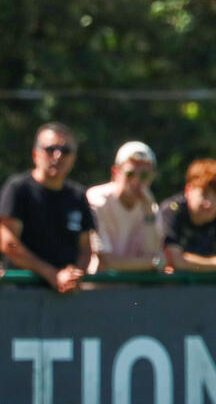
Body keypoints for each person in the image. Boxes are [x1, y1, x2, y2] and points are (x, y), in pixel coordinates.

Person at [0, 122, 94, 292]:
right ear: (35, 154)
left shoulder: (78, 196)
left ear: (74, 158)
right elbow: (8, 243)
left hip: (66, 297)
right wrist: (51, 274)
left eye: (65, 151)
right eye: (50, 149)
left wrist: (73, 274)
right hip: (21, 294)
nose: (57, 156)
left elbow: (86, 248)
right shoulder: (18, 188)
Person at [87, 141, 164, 273]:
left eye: (144, 175)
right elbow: (107, 261)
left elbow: (153, 252)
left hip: (134, 290)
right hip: (98, 289)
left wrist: (149, 215)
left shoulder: (152, 209)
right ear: (115, 172)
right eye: (130, 174)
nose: (136, 181)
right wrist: (153, 264)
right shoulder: (97, 199)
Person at [159, 159, 216, 272]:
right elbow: (174, 261)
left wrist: (192, 262)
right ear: (188, 190)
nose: (209, 203)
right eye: (204, 194)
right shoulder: (172, 210)